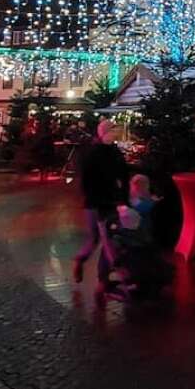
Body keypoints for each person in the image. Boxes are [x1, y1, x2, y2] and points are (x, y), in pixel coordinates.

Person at [74, 120, 129, 286]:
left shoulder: (113, 151)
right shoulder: (95, 153)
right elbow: (87, 180)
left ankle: (101, 276)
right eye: (112, 130)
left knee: (104, 239)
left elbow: (123, 173)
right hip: (97, 202)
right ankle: (88, 265)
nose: (115, 133)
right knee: (101, 238)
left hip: (107, 200)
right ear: (104, 133)